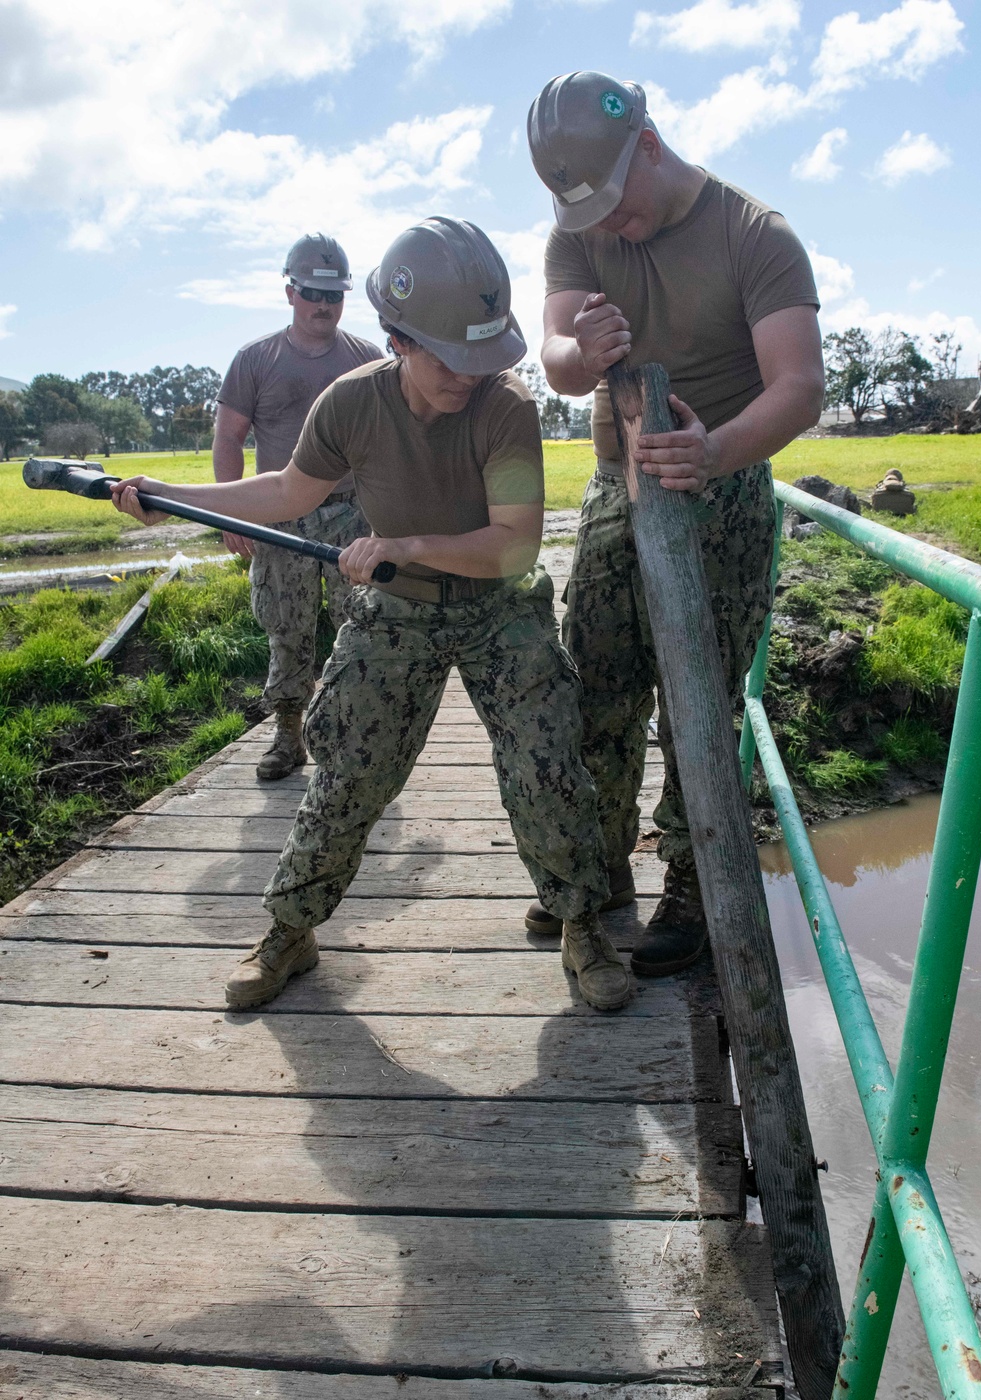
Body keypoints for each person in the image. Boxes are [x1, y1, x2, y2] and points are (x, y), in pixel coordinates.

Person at [111, 217, 632, 1016]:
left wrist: (404, 542)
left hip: (499, 610)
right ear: (398, 341)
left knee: (546, 761)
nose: (472, 375)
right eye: (453, 358)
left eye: (485, 357)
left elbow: (516, 547)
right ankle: (291, 930)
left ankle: (579, 924)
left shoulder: (506, 408)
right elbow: (287, 493)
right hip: (397, 611)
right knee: (348, 769)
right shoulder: (350, 405)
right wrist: (170, 500)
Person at [525, 71, 824, 976]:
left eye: (617, 206)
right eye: (591, 218)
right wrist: (585, 352)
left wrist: (714, 454)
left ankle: (692, 887)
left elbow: (801, 386)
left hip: (722, 493)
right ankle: (597, 870)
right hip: (618, 489)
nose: (609, 229)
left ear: (647, 142)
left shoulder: (755, 235)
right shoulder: (577, 236)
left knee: (701, 697)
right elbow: (556, 362)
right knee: (602, 682)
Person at [214, 233, 382, 780]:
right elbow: (228, 438)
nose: (323, 304)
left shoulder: (367, 361)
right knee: (285, 625)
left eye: (333, 294)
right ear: (290, 292)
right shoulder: (255, 360)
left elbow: (392, 442)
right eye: (312, 291)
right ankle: (288, 733)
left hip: (349, 513)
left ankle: (355, 732)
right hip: (278, 513)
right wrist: (231, 516)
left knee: (359, 621)